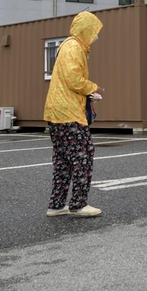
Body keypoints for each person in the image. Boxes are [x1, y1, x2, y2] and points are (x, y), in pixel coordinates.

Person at [44, 11, 104, 218]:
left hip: (57, 112)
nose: (96, 36)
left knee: (62, 160)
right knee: (83, 155)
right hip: (68, 112)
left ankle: (57, 204)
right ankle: (78, 204)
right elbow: (73, 79)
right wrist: (92, 88)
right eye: (94, 31)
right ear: (86, 30)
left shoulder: (67, 45)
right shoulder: (74, 46)